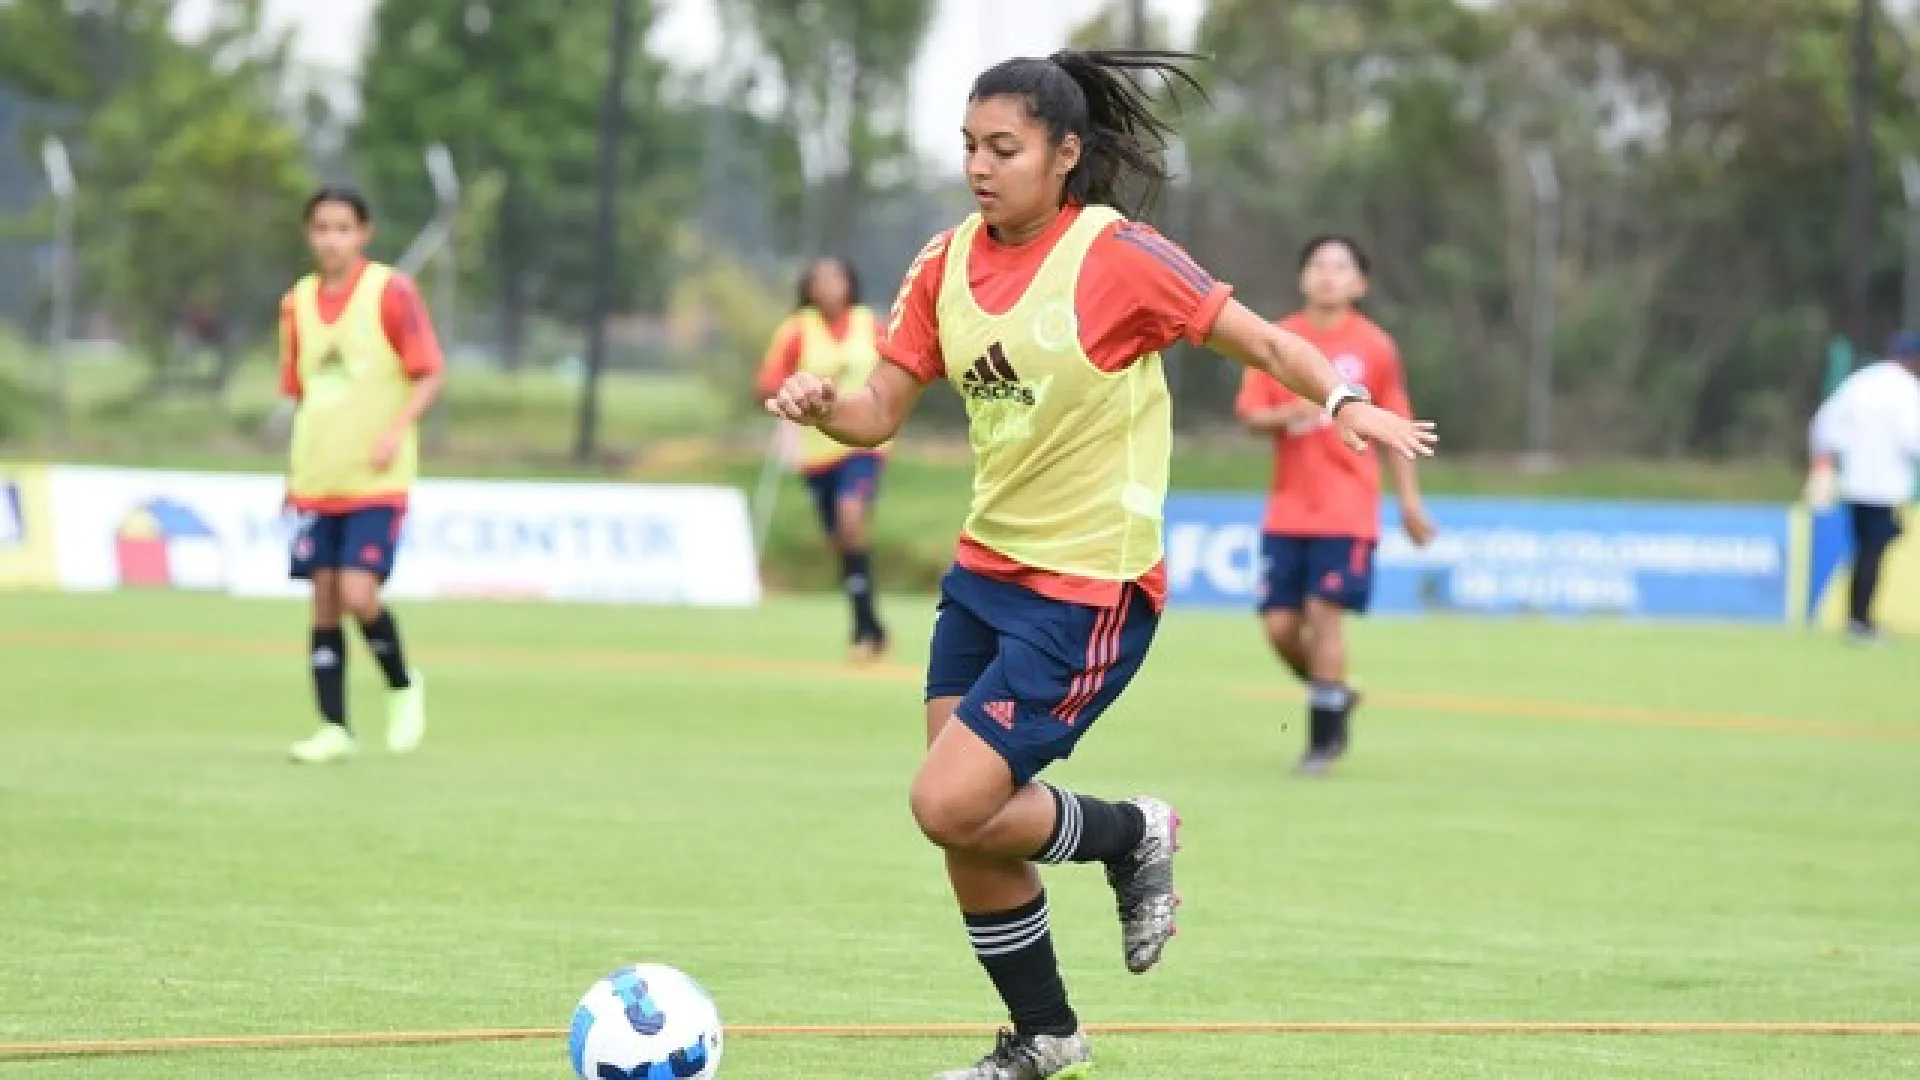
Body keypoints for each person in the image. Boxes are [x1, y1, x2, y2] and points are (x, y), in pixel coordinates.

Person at [766, 50, 1436, 1080]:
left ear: (1064, 154)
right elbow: (881, 411)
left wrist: (1345, 403)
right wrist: (828, 406)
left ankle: (1130, 834)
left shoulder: (1116, 256)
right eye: (968, 148)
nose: (980, 168)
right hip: (985, 575)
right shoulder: (941, 263)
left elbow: (1261, 342)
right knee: (968, 826)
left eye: (1004, 148)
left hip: (1090, 587)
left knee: (948, 801)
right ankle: (1047, 1035)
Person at [1235, 235, 1435, 776]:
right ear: (1302, 278)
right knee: (1279, 628)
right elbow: (1251, 415)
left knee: (1324, 617)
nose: (1327, 276)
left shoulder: (1375, 347)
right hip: (1287, 511)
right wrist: (1294, 412)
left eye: (1340, 267)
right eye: (1317, 266)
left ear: (1360, 284)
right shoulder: (1276, 341)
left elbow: (1398, 428)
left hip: (1347, 511)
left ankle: (1322, 744)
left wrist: (1411, 505)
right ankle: (1335, 692)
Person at [280, 185, 445, 764]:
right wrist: (290, 479)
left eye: (343, 228)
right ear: (309, 234)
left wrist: (396, 428)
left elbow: (428, 372)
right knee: (322, 601)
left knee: (357, 592)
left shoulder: (390, 292)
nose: (331, 239)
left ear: (364, 234)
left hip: (376, 480)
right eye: (321, 228)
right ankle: (334, 727)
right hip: (315, 479)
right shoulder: (296, 303)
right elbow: (302, 395)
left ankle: (402, 684)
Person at [755, 256, 891, 661]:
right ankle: (870, 623)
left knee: (851, 520)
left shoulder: (871, 324)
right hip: (817, 454)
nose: (828, 287)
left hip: (863, 444)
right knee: (841, 540)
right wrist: (789, 403)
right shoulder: (798, 330)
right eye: (819, 280)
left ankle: (862, 630)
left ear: (850, 284)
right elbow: (767, 380)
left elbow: (898, 370)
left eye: (836, 278)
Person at [1806, 330, 1920, 643]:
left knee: (1865, 549)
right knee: (1874, 551)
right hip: (1884, 486)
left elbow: (1826, 424)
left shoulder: (1860, 381)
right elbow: (1912, 438)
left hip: (1854, 482)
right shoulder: (1907, 389)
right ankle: (1860, 620)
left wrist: (1830, 457)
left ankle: (1858, 618)